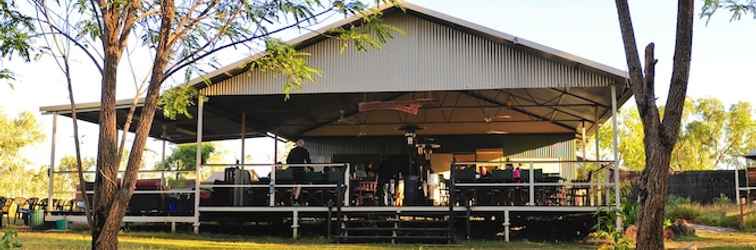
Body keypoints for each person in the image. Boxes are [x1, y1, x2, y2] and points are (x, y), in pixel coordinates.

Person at [286, 139, 311, 205]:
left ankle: (293, 198)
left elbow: (288, 161)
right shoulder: (304, 151)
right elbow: (308, 160)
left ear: (297, 144)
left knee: (294, 183)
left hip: (293, 170)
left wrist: (292, 165)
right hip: (300, 170)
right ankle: (296, 198)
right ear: (302, 144)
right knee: (299, 184)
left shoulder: (292, 150)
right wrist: (310, 167)